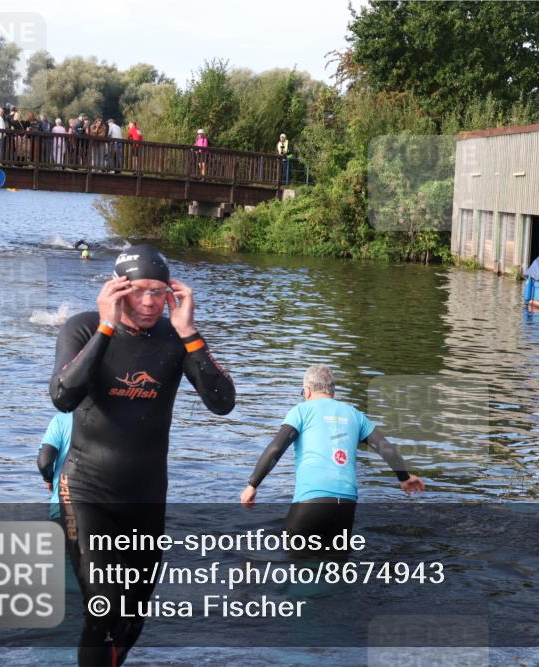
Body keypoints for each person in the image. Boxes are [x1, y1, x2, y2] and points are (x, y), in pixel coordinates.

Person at [49, 244, 235, 666]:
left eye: (158, 291)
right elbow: (63, 396)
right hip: (87, 489)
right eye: (138, 291)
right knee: (103, 606)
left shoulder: (176, 340)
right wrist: (106, 328)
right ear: (116, 290)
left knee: (132, 614)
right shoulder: (82, 329)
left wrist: (189, 332)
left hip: (146, 499)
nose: (150, 302)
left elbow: (223, 402)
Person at [240, 364, 424, 554]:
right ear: (332, 392)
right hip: (346, 504)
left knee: (292, 563)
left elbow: (276, 447)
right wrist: (404, 478)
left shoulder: (301, 411)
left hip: (311, 500)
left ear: (308, 391)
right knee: (335, 569)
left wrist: (253, 485)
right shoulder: (355, 415)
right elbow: (387, 449)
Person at [37, 412, 73, 521]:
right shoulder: (120, 417)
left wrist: (48, 479)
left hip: (64, 502)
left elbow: (44, 462)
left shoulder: (61, 419)